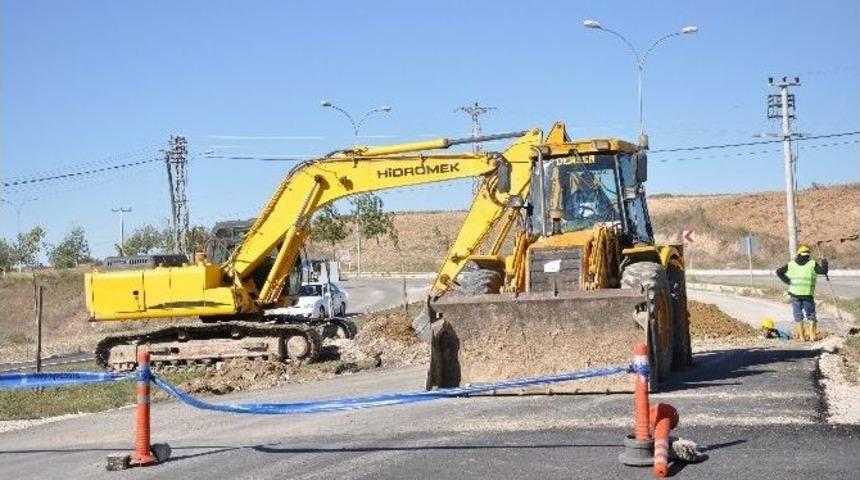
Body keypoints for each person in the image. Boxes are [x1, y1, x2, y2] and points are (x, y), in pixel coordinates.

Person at [775, 245, 829, 341]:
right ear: (808, 254)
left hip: (795, 294)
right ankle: (812, 336)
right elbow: (824, 271)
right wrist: (824, 261)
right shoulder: (812, 264)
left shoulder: (791, 264)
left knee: (798, 314)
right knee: (811, 314)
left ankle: (802, 337)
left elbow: (779, 272)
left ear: (799, 254)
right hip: (807, 294)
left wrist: (787, 281)